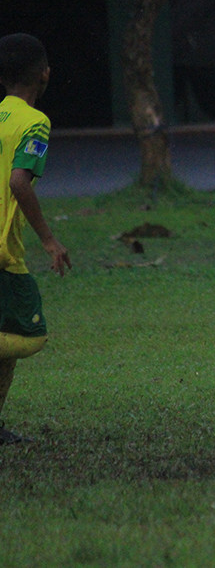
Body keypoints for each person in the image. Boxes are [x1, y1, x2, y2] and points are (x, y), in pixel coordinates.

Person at [0, 33, 72, 445]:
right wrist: (49, 240)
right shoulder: (35, 122)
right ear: (45, 74)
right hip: (5, 254)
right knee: (30, 335)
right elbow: (18, 182)